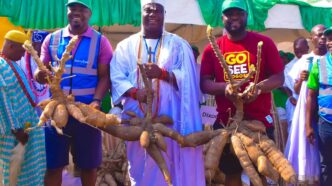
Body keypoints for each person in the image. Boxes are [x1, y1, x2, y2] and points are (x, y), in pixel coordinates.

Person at [110, 0, 204, 185]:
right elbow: (117, 76)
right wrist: (135, 92)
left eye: (157, 10)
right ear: (141, 14)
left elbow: (189, 79)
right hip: (136, 117)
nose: (153, 13)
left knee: (169, 157)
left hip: (171, 118)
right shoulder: (125, 46)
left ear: (164, 15)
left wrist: (162, 74)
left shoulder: (179, 45)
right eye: (148, 10)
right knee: (139, 160)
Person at [200, 0, 284, 185]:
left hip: (259, 122)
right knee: (231, 174)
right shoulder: (211, 49)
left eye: (239, 13)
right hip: (226, 123)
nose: (234, 17)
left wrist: (259, 87)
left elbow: (279, 77)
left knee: (260, 172)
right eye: (229, 14)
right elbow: (205, 83)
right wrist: (225, 88)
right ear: (222, 18)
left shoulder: (265, 43)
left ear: (247, 16)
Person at [36, 0, 113, 185]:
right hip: (56, 110)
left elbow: (105, 76)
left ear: (89, 13)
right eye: (72, 8)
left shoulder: (100, 41)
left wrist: (97, 100)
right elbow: (42, 70)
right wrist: (40, 74)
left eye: (82, 9)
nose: (76, 12)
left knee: (88, 166)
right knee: (53, 165)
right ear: (67, 11)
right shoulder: (51, 39)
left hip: (86, 111)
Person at [0, 30, 46, 185]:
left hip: (25, 129)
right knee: (15, 176)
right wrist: (16, 129)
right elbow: (2, 101)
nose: (22, 56)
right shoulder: (1, 66)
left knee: (30, 174)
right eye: (21, 51)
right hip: (15, 134)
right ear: (11, 46)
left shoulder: (10, 63)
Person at [285, 24, 327, 185]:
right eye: (318, 35)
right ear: (312, 38)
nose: (322, 38)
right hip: (306, 107)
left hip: (323, 108)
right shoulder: (306, 59)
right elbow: (295, 89)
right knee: (308, 145)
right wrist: (301, 79)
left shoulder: (327, 59)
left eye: (325, 35)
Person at [306, 26, 332, 186]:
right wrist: (308, 125)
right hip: (326, 125)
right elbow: (311, 95)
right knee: (326, 166)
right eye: (329, 39)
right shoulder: (320, 64)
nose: (330, 42)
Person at [17, 30, 50, 114]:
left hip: (48, 107)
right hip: (28, 106)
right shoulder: (21, 59)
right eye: (33, 44)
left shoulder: (53, 60)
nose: (34, 47)